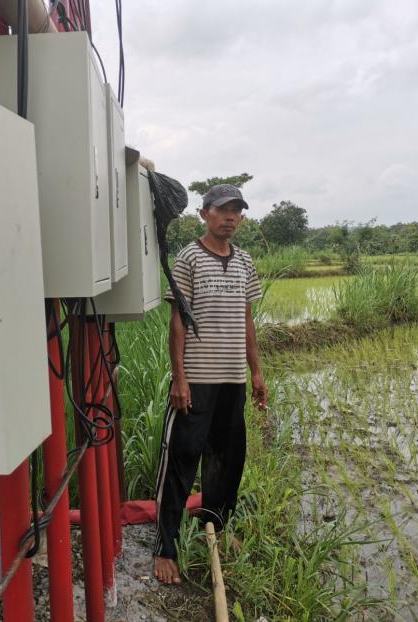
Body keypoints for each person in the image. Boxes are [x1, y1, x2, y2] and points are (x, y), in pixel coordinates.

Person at [153, 183, 268, 585]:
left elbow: (247, 320)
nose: (231, 217)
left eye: (237, 210)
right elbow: (178, 322)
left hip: (232, 379)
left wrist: (255, 372)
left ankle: (216, 527)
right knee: (182, 459)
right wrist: (180, 378)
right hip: (198, 381)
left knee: (227, 459)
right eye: (223, 210)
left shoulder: (245, 261)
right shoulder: (188, 259)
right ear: (204, 214)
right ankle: (165, 546)